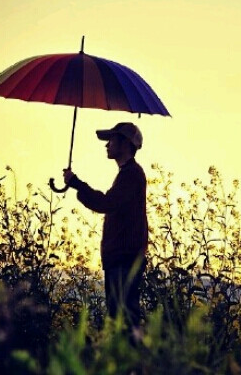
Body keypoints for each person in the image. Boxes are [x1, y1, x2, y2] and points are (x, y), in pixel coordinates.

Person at [63, 122, 148, 337]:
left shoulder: (131, 175)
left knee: (123, 323)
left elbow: (107, 203)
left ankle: (132, 367)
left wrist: (78, 184)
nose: (107, 145)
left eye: (112, 140)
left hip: (124, 260)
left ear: (125, 143)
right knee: (120, 321)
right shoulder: (127, 174)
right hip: (120, 259)